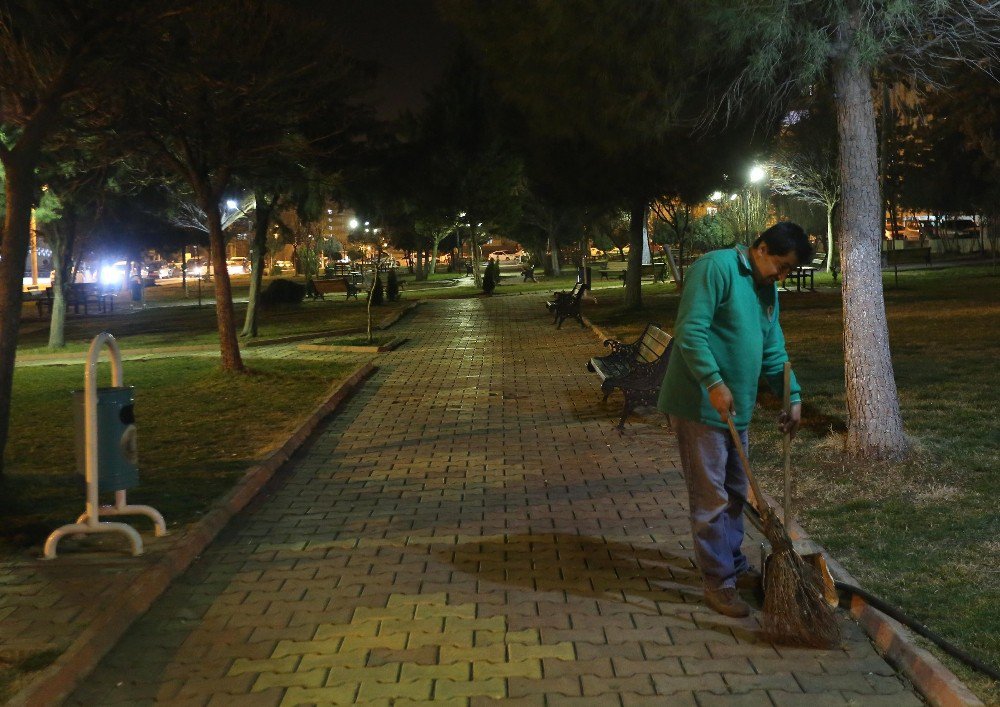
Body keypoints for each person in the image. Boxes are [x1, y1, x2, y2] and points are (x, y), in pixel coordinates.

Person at [657, 222, 812, 618]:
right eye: (780, 265)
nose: (782, 276)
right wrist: (713, 381)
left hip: (734, 408)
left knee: (736, 491)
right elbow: (690, 332)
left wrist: (792, 397)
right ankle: (718, 581)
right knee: (711, 497)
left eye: (789, 271)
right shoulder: (716, 268)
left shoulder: (767, 288)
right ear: (760, 248)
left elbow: (773, 346)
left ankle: (733, 562)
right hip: (699, 404)